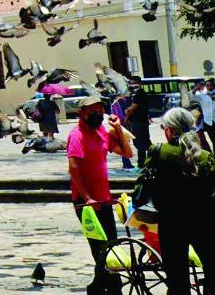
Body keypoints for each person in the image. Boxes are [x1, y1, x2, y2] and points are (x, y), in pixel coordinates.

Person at [136, 108, 215, 295]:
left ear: (169, 130)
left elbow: (142, 187)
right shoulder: (205, 157)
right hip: (202, 224)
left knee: (177, 279)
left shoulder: (158, 152)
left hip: (170, 223)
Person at [67, 96, 132, 295]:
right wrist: (87, 199)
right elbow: (74, 169)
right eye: (93, 111)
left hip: (104, 198)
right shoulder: (76, 135)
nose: (97, 114)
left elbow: (127, 153)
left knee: (110, 245)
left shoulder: (101, 131)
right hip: (86, 202)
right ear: (82, 113)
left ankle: (97, 287)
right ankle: (113, 288)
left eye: (100, 111)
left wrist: (119, 129)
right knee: (99, 248)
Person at [123, 75, 151, 170]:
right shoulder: (137, 94)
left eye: (133, 83)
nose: (131, 85)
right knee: (145, 143)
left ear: (138, 84)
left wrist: (126, 114)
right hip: (141, 121)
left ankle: (141, 164)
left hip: (139, 122)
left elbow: (133, 108)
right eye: (130, 83)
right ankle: (151, 159)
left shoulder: (139, 94)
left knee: (139, 143)